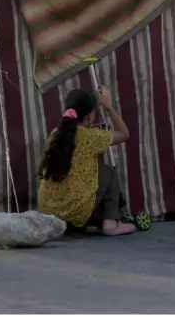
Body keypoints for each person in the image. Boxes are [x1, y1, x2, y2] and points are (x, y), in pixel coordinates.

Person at [38, 86, 135, 236]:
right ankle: (110, 222)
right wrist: (108, 106)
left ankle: (71, 221)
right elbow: (124, 133)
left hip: (50, 213)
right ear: (89, 116)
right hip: (75, 211)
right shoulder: (91, 137)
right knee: (107, 172)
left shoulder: (55, 134)